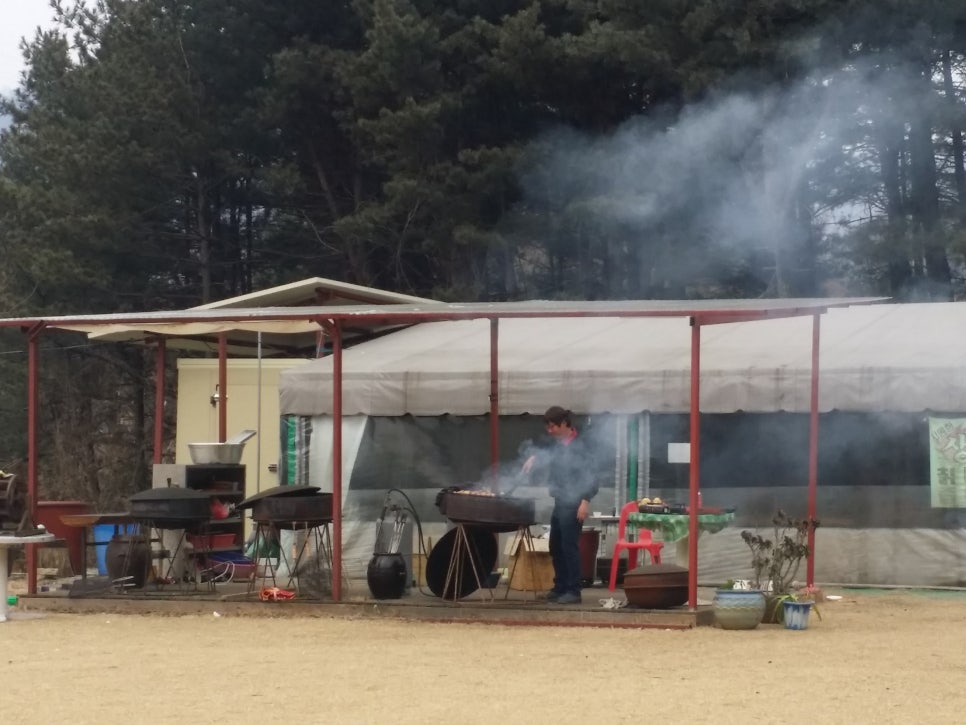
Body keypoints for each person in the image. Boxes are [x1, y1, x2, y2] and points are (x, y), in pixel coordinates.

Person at [521, 405, 599, 604]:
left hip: (574, 502)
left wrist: (585, 501)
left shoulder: (582, 446)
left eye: (553, 426)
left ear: (565, 424)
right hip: (560, 500)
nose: (550, 430)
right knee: (555, 546)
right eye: (548, 426)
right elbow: (545, 450)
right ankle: (560, 587)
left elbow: (591, 476)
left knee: (569, 547)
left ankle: (573, 591)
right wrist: (534, 457)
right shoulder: (557, 444)